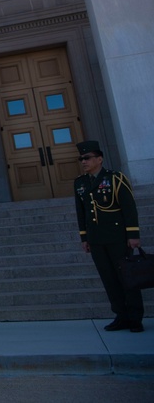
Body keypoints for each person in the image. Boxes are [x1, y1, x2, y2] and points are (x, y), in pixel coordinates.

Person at [74, 140, 144, 332]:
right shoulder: (80, 183)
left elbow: (129, 208)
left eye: (87, 158)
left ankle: (135, 317)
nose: (84, 162)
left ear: (99, 159)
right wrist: (84, 238)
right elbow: (82, 213)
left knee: (127, 278)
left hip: (117, 237)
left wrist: (133, 234)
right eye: (81, 159)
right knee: (109, 280)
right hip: (96, 240)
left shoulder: (115, 179)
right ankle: (121, 315)